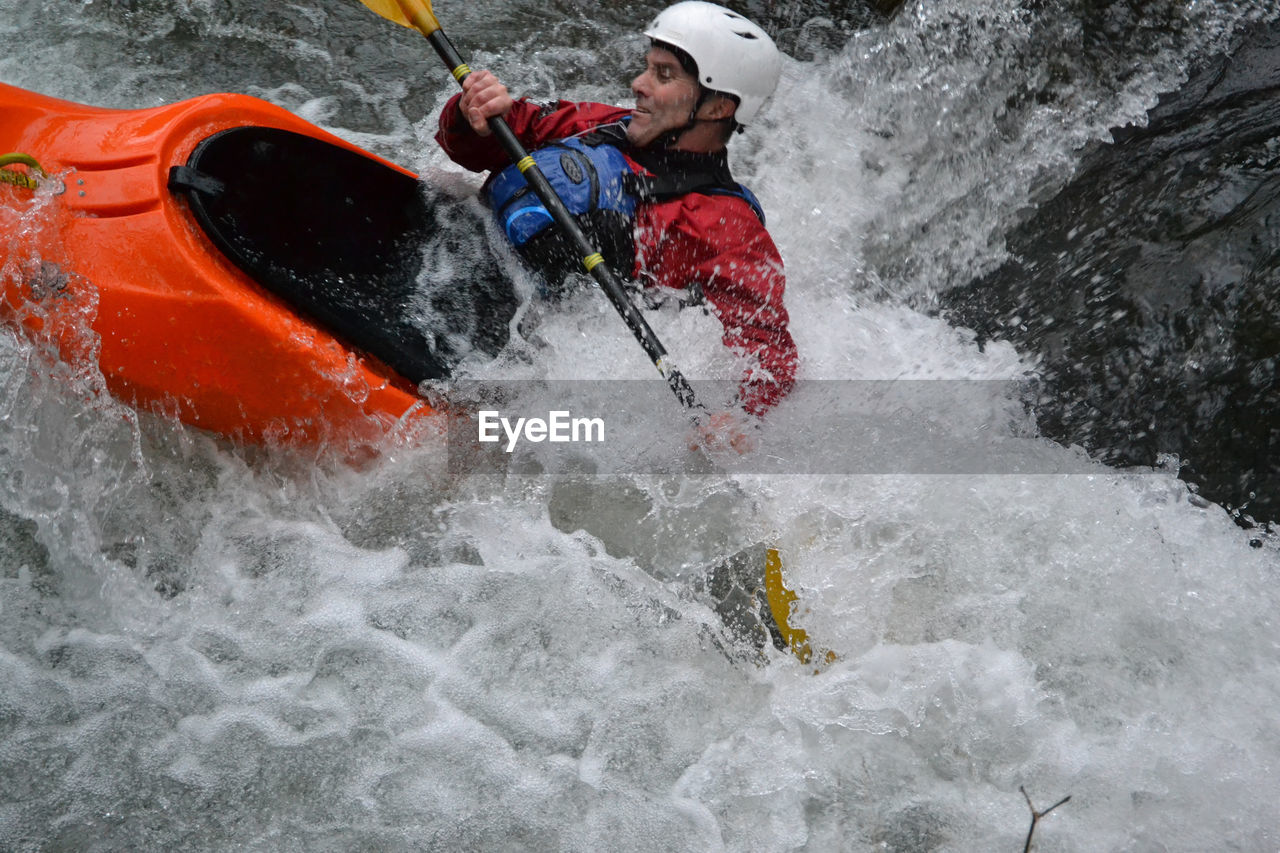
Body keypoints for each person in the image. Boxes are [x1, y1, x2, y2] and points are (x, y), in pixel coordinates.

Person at [435, 1, 797, 450]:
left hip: (509, 353)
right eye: (647, 68)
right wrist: (477, 114)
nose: (638, 85)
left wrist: (740, 417)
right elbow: (481, 144)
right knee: (441, 185)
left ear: (718, 106)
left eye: (663, 75)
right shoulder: (602, 124)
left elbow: (769, 356)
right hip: (454, 258)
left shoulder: (728, 229)